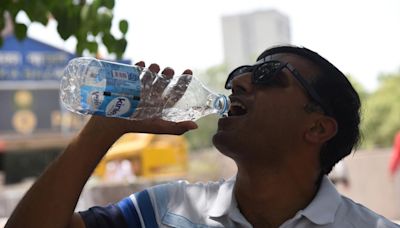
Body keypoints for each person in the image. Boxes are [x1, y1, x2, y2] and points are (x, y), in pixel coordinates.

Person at [5, 45, 399, 228]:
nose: (238, 81)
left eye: (266, 76)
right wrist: (103, 130)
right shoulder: (164, 212)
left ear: (317, 127)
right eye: (241, 71)